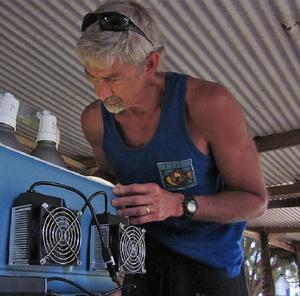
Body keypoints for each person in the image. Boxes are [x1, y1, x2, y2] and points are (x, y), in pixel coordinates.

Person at [77, 1, 268, 295]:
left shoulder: (208, 104)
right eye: (92, 76)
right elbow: (109, 179)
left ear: (150, 64)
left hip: (211, 266)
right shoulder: (95, 120)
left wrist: (178, 204)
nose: (101, 93)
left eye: (113, 78)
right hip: (142, 261)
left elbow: (254, 201)